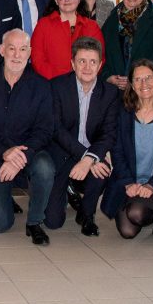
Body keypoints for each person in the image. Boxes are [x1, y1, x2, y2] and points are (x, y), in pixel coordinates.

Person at [0, 29, 56, 243]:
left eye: (23, 49)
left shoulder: (41, 85)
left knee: (45, 167)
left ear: (30, 53)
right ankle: (5, 197)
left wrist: (19, 157)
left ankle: (35, 222)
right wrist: (4, 152)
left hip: (30, 151)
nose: (17, 55)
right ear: (1, 50)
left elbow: (45, 129)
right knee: (0, 224)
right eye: (12, 48)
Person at [48, 37, 121, 235]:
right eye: (82, 61)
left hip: (92, 154)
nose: (87, 67)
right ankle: (68, 189)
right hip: (63, 153)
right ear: (72, 63)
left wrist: (91, 158)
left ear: (100, 64)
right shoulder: (56, 86)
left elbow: (108, 134)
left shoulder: (111, 93)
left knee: (102, 169)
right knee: (53, 222)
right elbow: (56, 130)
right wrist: (86, 156)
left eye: (92, 62)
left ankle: (87, 215)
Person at [102, 59, 153, 239]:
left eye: (149, 78)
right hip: (131, 183)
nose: (144, 84)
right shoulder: (124, 113)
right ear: (131, 84)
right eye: (137, 79)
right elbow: (117, 152)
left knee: (136, 213)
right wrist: (129, 182)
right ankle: (139, 203)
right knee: (127, 232)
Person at [99, 0, 153, 93]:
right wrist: (108, 76)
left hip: (147, 89)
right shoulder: (112, 19)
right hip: (116, 90)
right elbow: (101, 52)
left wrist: (136, 79)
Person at [31, 0, 103, 80]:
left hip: (85, 84)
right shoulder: (43, 24)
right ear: (56, 1)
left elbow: (100, 58)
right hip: (51, 85)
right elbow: (37, 59)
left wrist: (81, 78)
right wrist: (61, 80)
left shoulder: (92, 26)